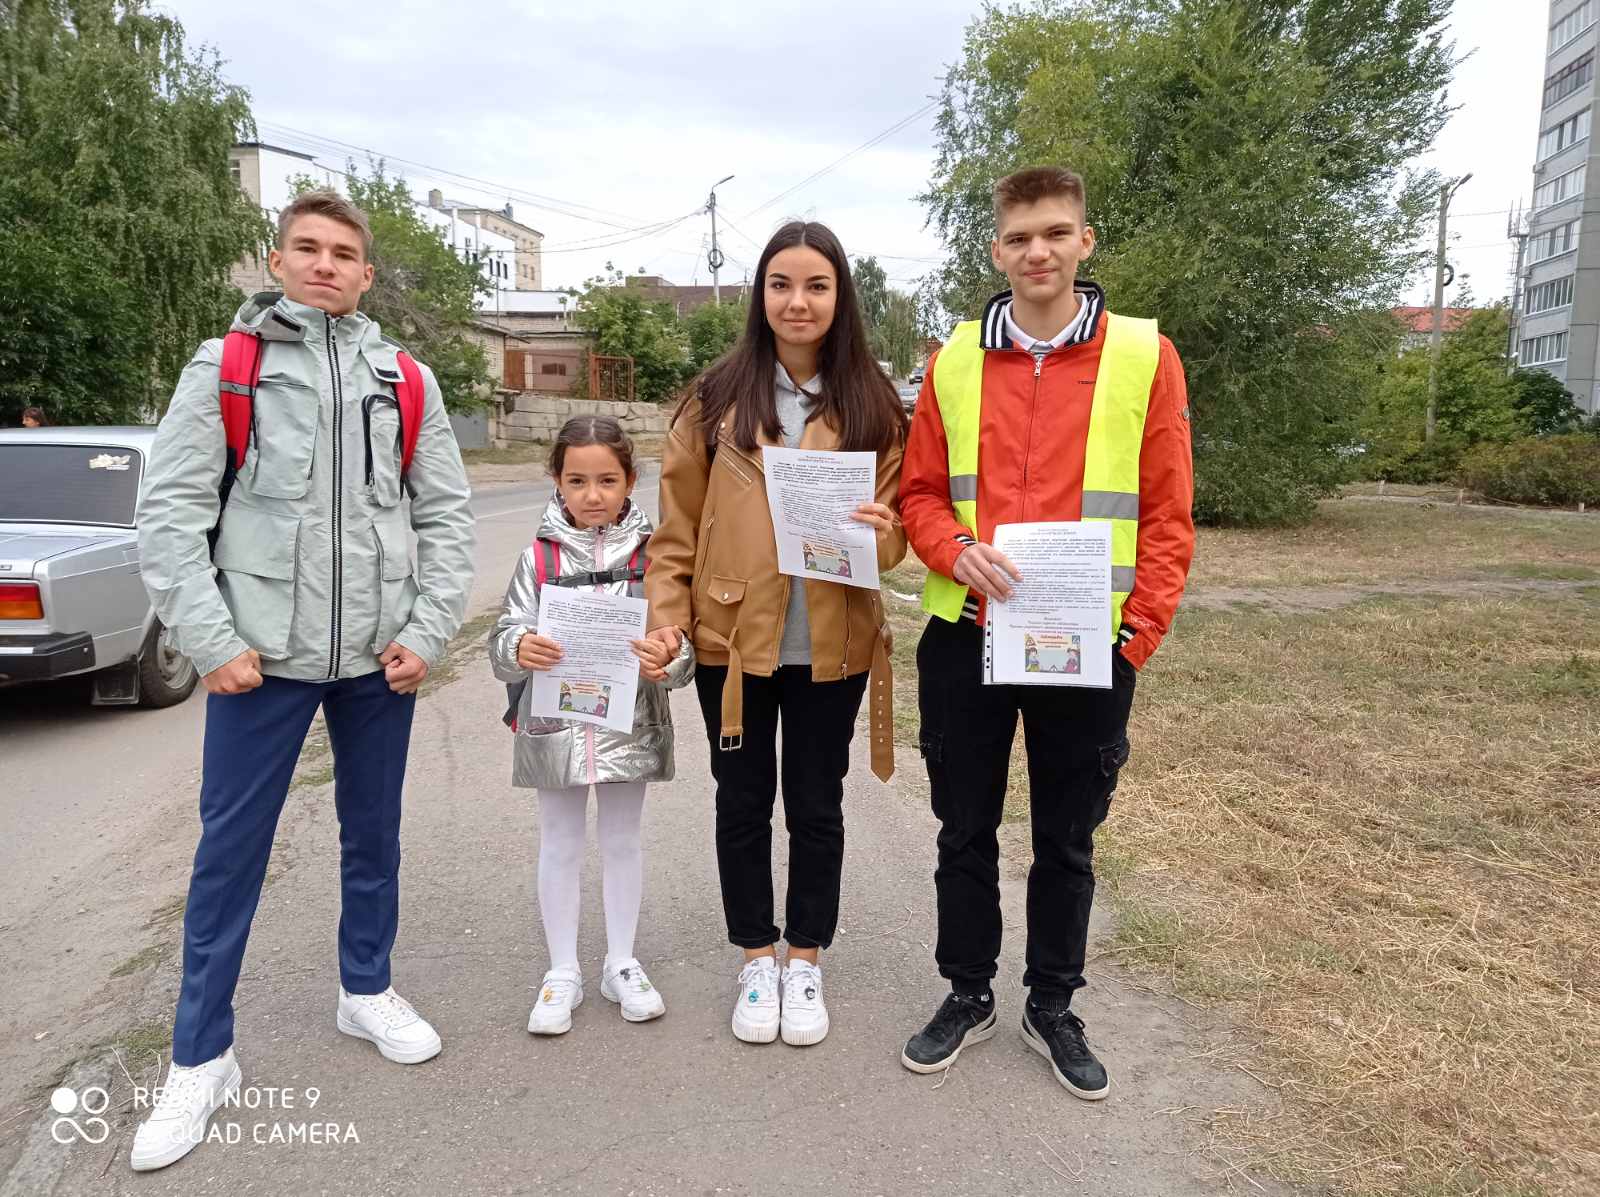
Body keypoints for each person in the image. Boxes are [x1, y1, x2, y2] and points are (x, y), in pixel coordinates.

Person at [130, 189, 476, 1170]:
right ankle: (201, 1055)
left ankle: (365, 989)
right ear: (278, 261)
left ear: (366, 273)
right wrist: (212, 641)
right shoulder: (228, 368)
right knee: (228, 854)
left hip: (378, 659)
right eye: (307, 248)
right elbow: (170, 515)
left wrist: (426, 630)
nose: (325, 264)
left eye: (343, 253)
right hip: (260, 663)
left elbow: (445, 517)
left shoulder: (405, 379)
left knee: (374, 836)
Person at [898, 166, 1194, 1098]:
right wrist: (954, 550)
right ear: (997, 249)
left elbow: (1169, 511)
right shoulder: (952, 361)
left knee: (1067, 838)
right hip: (969, 634)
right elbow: (917, 495)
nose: (1039, 251)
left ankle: (1053, 1004)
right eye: (1021, 237)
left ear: (1084, 241)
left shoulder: (1145, 355)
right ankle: (968, 992)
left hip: (1087, 643)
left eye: (1056, 233)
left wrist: (1135, 635)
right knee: (964, 830)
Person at [645, 220, 907, 1047]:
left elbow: (897, 537)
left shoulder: (873, 404)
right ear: (760, 294)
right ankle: (756, 957)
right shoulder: (715, 400)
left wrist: (884, 531)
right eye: (782, 284)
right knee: (742, 800)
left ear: (840, 296)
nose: (799, 301)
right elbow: (675, 530)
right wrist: (667, 618)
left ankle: (806, 958)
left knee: (818, 804)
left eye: (816, 285)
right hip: (731, 644)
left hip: (834, 643)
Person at [488, 416, 694, 1035]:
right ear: (557, 479)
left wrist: (670, 658)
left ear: (631, 479)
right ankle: (562, 971)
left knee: (624, 838)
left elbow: (682, 646)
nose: (593, 494)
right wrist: (519, 646)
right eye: (577, 480)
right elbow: (503, 639)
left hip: (630, 720)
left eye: (607, 480)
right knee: (559, 841)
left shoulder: (656, 557)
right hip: (553, 722)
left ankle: (621, 963)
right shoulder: (538, 558)